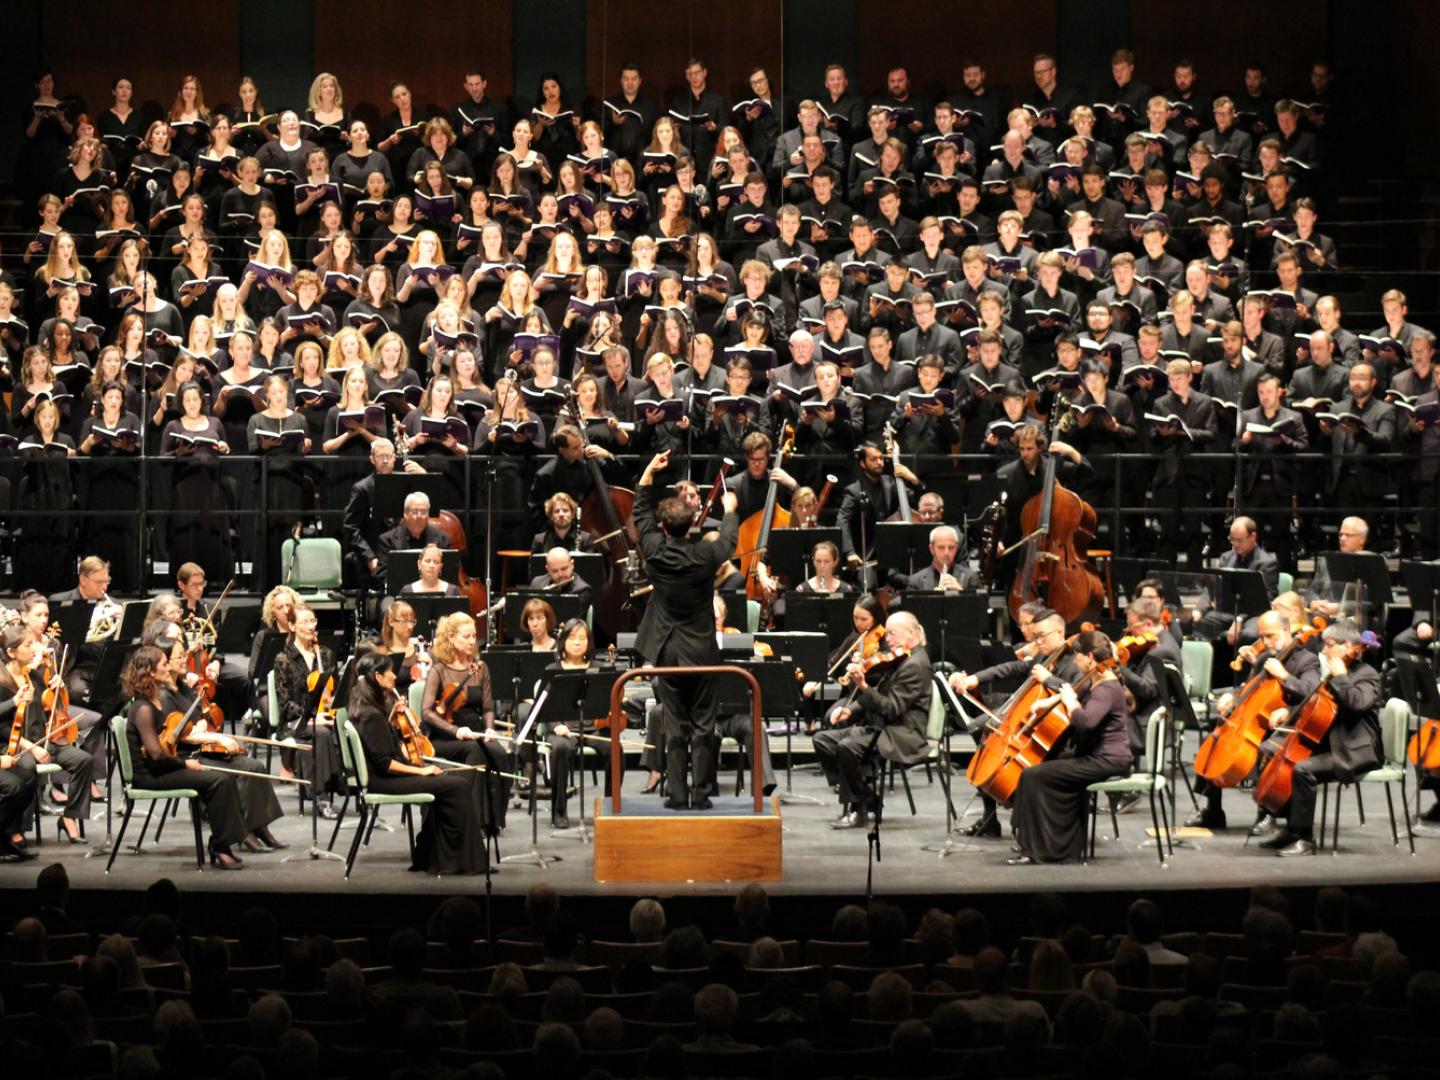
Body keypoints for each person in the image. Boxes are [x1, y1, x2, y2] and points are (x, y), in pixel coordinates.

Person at [634, 449, 740, 810]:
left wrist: (649, 472)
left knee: (675, 723)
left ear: (664, 527)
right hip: (701, 650)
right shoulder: (705, 556)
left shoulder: (655, 551)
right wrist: (730, 510)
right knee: (704, 724)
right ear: (694, 520)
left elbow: (640, 514)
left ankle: (677, 794)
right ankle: (701, 793)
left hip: (668, 650)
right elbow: (728, 542)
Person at [348, 650, 489, 874]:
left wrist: (391, 717)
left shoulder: (367, 708)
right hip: (384, 780)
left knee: (450, 781)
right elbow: (385, 764)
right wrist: (421, 772)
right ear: (377, 678)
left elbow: (381, 744)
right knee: (458, 785)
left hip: (386, 777)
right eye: (390, 673)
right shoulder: (371, 715)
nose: (395, 676)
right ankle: (458, 861)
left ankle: (432, 857)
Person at [1256, 623, 1382, 857]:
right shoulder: (1338, 671)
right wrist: (1290, 711)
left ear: (1348, 646)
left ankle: (1305, 838)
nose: (1324, 651)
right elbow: (1316, 702)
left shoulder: (1367, 675)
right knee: (1272, 750)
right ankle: (1290, 828)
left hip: (1355, 750)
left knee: (1303, 769)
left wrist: (1341, 677)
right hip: (1332, 744)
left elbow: (1357, 704)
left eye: (1330, 645)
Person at [1187, 610, 1320, 831]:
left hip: (1287, 725)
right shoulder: (1264, 659)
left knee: (1267, 751)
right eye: (1262, 637)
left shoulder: (1307, 660)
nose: (1266, 642)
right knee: (1215, 737)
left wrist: (1284, 677)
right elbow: (1249, 689)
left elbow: (1311, 695)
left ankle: (1267, 813)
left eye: (1271, 636)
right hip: (1256, 721)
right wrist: (1233, 696)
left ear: (1287, 631)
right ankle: (1213, 811)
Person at [1008, 631, 1133, 865]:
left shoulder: (1107, 688)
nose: (1075, 661)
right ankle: (1044, 845)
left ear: (1089, 657)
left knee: (1034, 775)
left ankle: (1039, 849)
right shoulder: (1095, 678)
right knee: (1040, 769)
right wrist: (1050, 700)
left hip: (1108, 759)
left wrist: (1070, 702)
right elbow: (1073, 691)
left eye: (1077, 656)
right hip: (1093, 755)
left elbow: (1085, 722)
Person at [120, 645, 246, 869]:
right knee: (218, 780)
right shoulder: (142, 709)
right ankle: (220, 846)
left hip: (162, 769)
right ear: (150, 671)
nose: (168, 668)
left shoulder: (157, 700)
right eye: (163, 664)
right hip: (150, 775)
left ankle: (223, 843)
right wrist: (186, 763)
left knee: (222, 777)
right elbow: (156, 754)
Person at [815, 611, 934, 830]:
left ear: (910, 633)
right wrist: (849, 710)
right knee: (823, 740)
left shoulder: (916, 665)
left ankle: (857, 808)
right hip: (884, 728)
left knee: (848, 746)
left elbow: (891, 708)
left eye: (892, 634)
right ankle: (868, 798)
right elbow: (881, 691)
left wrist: (863, 687)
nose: (887, 639)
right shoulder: (902, 658)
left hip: (902, 733)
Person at [421, 612, 513, 830]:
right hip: (445, 736)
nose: (472, 641)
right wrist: (455, 731)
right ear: (451, 637)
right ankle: (471, 821)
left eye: (474, 636)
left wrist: (490, 729)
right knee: (474, 751)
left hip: (476, 732)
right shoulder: (439, 670)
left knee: (500, 754)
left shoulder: (480, 669)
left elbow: (488, 708)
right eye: (466, 636)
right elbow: (426, 712)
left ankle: (493, 820)